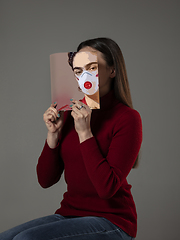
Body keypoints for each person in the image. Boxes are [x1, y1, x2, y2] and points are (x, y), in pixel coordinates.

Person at [0, 37, 142, 240]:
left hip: (112, 221)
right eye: (77, 70)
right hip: (70, 213)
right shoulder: (70, 112)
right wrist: (53, 135)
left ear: (112, 70)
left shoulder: (127, 118)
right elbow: (45, 180)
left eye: (92, 67)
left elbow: (106, 188)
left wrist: (85, 133)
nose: (84, 75)